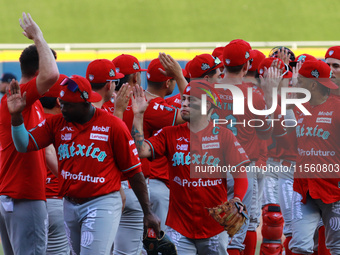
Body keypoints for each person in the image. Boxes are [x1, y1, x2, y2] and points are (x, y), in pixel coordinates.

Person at [7, 74, 160, 255]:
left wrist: (147, 211)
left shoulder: (113, 126)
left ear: (85, 102)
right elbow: (23, 144)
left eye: (68, 105)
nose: (62, 108)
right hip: (70, 204)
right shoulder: (56, 123)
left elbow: (134, 172)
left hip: (102, 202)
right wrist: (16, 117)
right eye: (61, 103)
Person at [131, 80, 250, 255]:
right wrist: (139, 115)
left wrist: (238, 198)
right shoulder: (169, 133)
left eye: (191, 100)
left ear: (207, 104)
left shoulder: (224, 136)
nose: (184, 104)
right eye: (183, 99)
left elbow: (240, 173)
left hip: (214, 226)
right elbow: (140, 151)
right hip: (180, 227)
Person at [0, 13, 59, 255]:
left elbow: (44, 148)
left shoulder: (27, 103)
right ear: (39, 70)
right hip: (25, 196)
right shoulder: (22, 98)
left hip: (15, 196)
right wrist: (39, 37)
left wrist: (67, 180)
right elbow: (52, 75)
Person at [216, 39, 275, 255]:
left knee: (208, 233)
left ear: (222, 64)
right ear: (247, 66)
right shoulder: (254, 96)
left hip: (209, 168)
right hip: (241, 171)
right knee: (235, 237)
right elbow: (266, 134)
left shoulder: (206, 91)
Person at [288, 60, 340, 255]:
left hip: (334, 190)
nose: (295, 84)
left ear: (312, 85)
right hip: (304, 189)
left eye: (299, 80)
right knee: (300, 246)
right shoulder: (298, 108)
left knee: (337, 247)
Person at [39, 74, 70, 255]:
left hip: (27, 202)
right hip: (58, 200)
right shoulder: (64, 125)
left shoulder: (29, 119)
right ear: (59, 101)